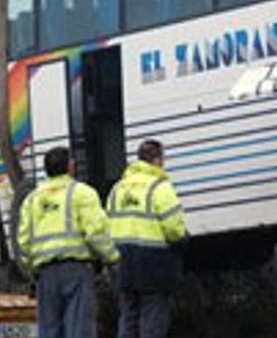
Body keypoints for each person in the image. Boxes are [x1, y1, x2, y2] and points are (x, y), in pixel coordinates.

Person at [18, 146, 120, 338]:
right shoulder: (83, 193)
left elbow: (23, 241)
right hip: (76, 270)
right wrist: (112, 258)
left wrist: (32, 270)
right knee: (79, 328)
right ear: (70, 166)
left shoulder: (32, 200)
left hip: (45, 274)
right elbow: (96, 233)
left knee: (49, 330)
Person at [108, 139, 187, 338]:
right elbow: (174, 229)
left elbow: (106, 223)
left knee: (128, 315)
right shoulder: (160, 187)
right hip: (153, 262)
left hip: (122, 261)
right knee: (153, 316)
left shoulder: (118, 188)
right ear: (157, 160)